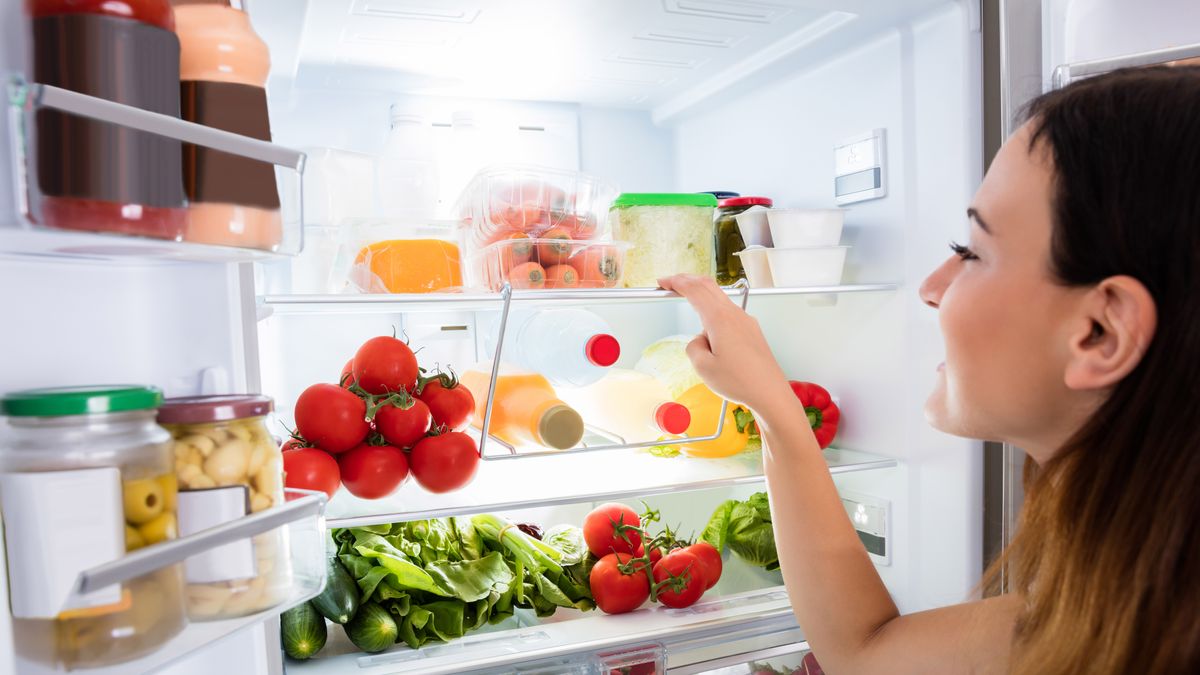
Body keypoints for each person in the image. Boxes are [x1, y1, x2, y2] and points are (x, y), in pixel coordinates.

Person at [660, 65, 1200, 674]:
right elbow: (864, 652)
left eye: (971, 252)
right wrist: (777, 411)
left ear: (1101, 333)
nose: (931, 288)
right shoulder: (1124, 609)